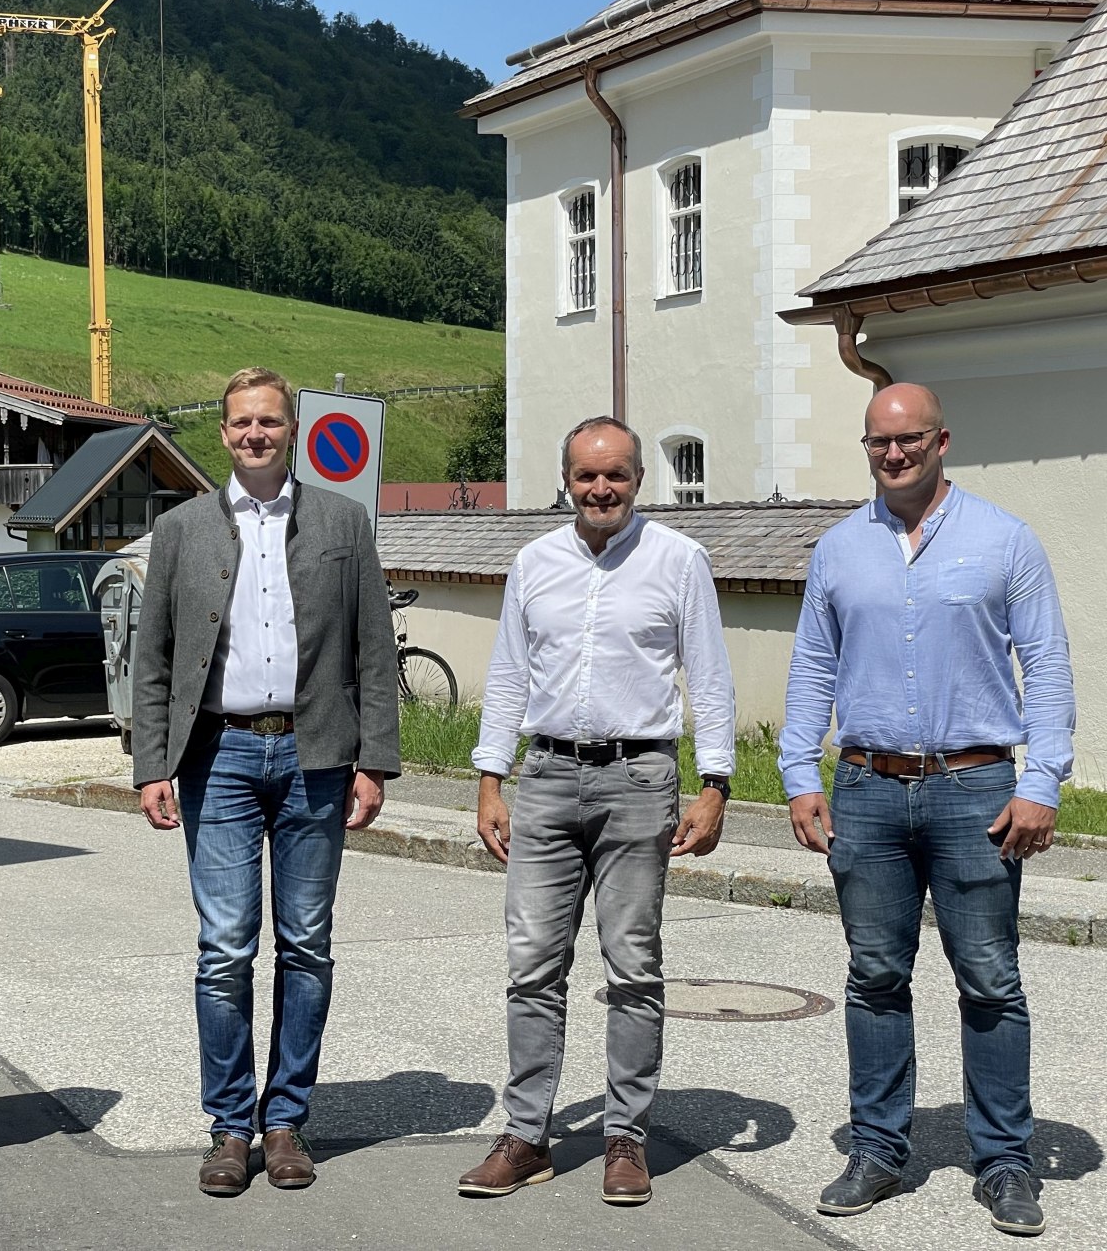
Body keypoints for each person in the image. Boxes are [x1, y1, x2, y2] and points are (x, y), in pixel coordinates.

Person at [781, 384, 1074, 1238]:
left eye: (909, 439)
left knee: (990, 979)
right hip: (867, 789)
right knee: (875, 977)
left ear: (942, 441)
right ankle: (877, 1149)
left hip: (976, 790)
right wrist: (799, 773)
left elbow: (1047, 665)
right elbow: (812, 666)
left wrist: (1042, 782)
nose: (894, 453)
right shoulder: (839, 549)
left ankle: (1006, 1161)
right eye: (879, 441)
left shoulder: (1005, 540)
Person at [132, 366, 399, 1197]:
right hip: (218, 757)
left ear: (293, 431)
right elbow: (152, 658)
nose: (255, 434)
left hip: (317, 756)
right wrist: (151, 765)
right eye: (242, 422)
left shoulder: (343, 521)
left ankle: (284, 1122)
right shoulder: (180, 529)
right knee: (224, 949)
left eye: (270, 422)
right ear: (223, 433)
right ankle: (228, 1127)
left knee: (307, 944)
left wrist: (374, 760)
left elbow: (374, 649)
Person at [458, 415, 734, 1207]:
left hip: (639, 778)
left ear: (638, 479)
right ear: (567, 480)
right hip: (546, 776)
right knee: (532, 965)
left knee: (633, 966)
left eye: (615, 474)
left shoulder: (678, 560)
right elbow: (509, 674)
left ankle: (626, 1139)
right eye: (587, 475)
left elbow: (710, 675)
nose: (601, 488)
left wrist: (715, 784)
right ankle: (526, 1137)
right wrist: (490, 779)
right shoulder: (534, 562)